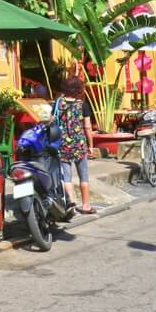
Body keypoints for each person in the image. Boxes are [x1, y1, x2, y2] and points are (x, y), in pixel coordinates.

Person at [54, 76, 95, 214]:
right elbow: (88, 127)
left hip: (63, 143)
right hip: (79, 144)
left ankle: (71, 203)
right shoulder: (83, 104)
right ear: (78, 89)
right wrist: (90, 145)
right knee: (84, 176)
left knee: (66, 177)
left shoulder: (58, 103)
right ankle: (86, 206)